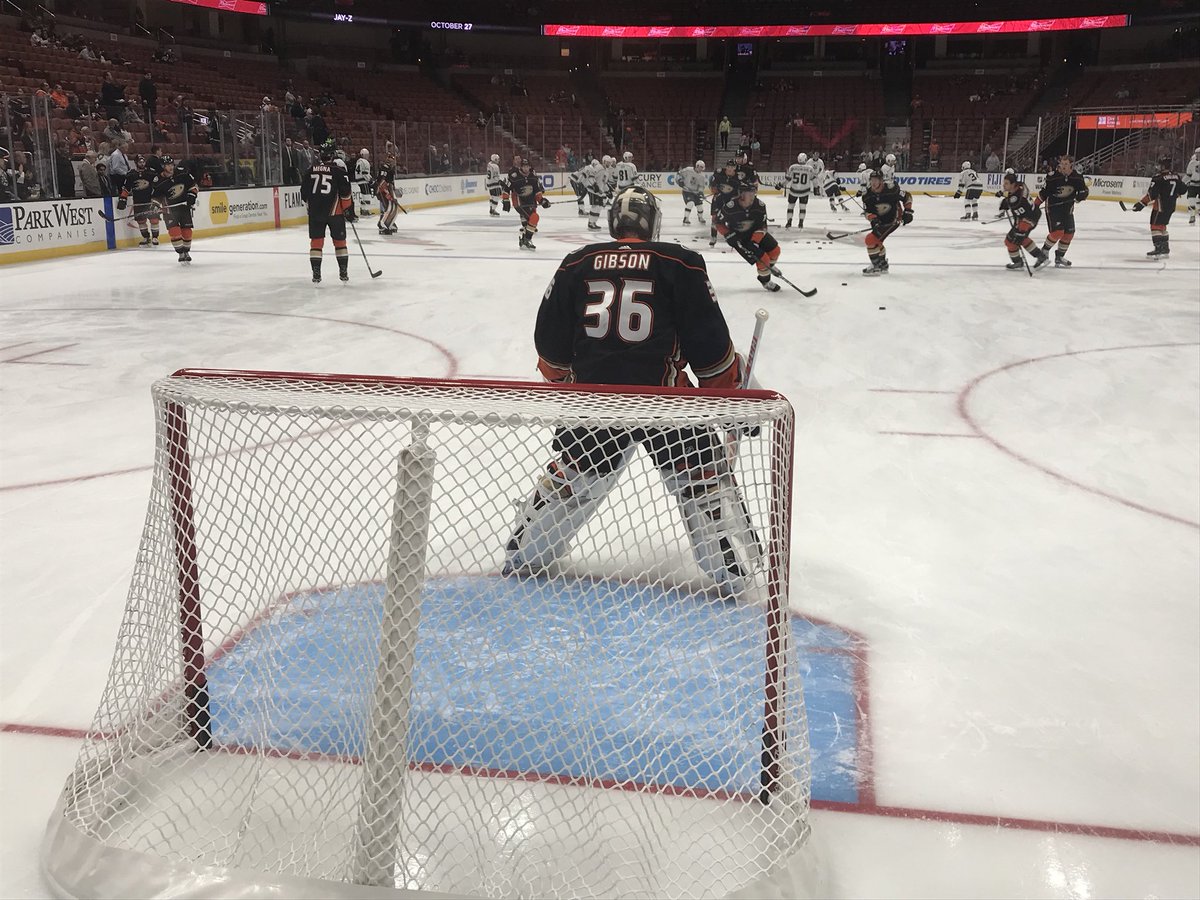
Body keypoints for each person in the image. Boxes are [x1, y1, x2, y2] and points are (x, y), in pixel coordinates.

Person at [504, 185, 757, 595]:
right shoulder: (682, 263)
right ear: (653, 224)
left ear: (612, 222)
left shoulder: (577, 262)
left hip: (595, 401)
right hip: (666, 403)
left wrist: (565, 384)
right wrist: (730, 395)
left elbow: (549, 346)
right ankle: (734, 575)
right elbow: (710, 351)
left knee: (573, 480)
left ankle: (523, 553)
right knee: (702, 480)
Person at [715, 180, 783, 292]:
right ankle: (765, 280)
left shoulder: (760, 206)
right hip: (740, 239)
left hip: (756, 234)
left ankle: (767, 268)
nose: (753, 196)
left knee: (775, 251)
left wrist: (755, 241)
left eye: (753, 193)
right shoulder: (730, 207)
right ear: (741, 194)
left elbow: (762, 226)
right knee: (763, 259)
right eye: (749, 194)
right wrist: (728, 234)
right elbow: (718, 223)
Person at [300, 139, 355, 281]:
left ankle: (316, 274)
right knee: (340, 242)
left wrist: (310, 206)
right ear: (332, 156)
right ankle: (343, 273)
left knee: (316, 242)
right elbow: (345, 192)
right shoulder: (338, 171)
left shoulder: (310, 170)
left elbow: (304, 193)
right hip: (335, 213)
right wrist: (348, 210)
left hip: (316, 213)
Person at [1036, 155, 1088, 267]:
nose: (1063, 166)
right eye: (1061, 164)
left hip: (1068, 209)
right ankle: (1044, 252)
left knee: (1069, 233)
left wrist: (1082, 195)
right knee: (1058, 232)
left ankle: (1059, 256)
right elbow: (1044, 193)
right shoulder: (1052, 177)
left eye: (1065, 164)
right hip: (1053, 208)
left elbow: (1083, 191)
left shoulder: (1077, 177)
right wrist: (1035, 205)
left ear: (1071, 165)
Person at [861, 169, 914, 276]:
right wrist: (873, 219)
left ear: (882, 181)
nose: (874, 182)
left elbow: (907, 196)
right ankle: (883, 265)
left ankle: (876, 267)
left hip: (893, 220)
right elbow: (867, 212)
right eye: (872, 180)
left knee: (870, 239)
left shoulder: (892, 189)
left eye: (877, 180)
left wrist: (908, 211)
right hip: (881, 221)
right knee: (877, 242)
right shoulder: (867, 195)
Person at [1132, 156, 1183, 259]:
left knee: (1155, 226)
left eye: (1160, 165)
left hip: (1160, 206)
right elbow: (1183, 190)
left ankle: (1159, 248)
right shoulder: (1176, 176)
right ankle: (1165, 248)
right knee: (1163, 225)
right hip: (1171, 206)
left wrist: (1141, 204)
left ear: (1163, 166)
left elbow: (1152, 194)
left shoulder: (1158, 178)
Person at [151, 155, 199, 264]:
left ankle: (186, 251)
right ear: (163, 166)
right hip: (169, 210)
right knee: (174, 231)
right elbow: (156, 197)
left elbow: (194, 185)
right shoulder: (158, 181)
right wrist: (155, 205)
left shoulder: (182, 173)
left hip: (183, 207)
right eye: (168, 165)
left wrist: (192, 195)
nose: (171, 167)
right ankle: (180, 253)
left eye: (171, 164)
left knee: (187, 232)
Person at [998, 172, 1049, 270]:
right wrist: (1004, 196)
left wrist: (1006, 202)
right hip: (1025, 217)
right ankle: (1023, 260)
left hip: (1028, 219)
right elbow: (1011, 196)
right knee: (1011, 240)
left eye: (1006, 183)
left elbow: (1014, 202)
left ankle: (1038, 257)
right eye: (1004, 183)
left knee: (1016, 239)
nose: (1004, 185)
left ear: (1013, 184)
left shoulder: (1016, 198)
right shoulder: (1019, 186)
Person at [503, 156, 550, 251]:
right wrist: (506, 200)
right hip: (519, 202)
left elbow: (537, 191)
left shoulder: (533, 177)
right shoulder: (514, 176)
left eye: (527, 166)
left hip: (530, 201)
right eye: (524, 166)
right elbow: (506, 188)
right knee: (534, 217)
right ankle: (527, 240)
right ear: (521, 167)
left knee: (533, 221)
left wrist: (542, 200)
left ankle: (524, 239)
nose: (526, 168)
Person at [117, 155, 160, 247]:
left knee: (154, 219)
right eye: (140, 162)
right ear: (136, 163)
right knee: (141, 221)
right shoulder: (131, 175)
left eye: (143, 162)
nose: (142, 164)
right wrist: (122, 199)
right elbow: (126, 188)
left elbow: (157, 186)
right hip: (138, 201)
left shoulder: (151, 173)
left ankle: (155, 237)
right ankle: (146, 237)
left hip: (150, 201)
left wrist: (157, 199)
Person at [708, 157, 739, 246]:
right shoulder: (719, 173)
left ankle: (732, 238)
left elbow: (739, 191)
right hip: (718, 200)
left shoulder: (737, 178)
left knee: (732, 220)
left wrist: (736, 198)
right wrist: (714, 190)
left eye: (732, 167)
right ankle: (713, 237)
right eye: (728, 166)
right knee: (715, 219)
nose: (730, 168)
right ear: (726, 167)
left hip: (730, 202)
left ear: (735, 168)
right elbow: (712, 185)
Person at [780, 152, 814, 229]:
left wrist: (780, 185)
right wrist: (816, 188)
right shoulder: (810, 168)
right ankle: (801, 223)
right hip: (804, 191)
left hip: (793, 191)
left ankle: (789, 222)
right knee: (802, 207)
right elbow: (814, 180)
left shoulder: (792, 167)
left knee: (790, 206)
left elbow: (787, 180)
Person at [676, 159, 708, 227]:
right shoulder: (688, 170)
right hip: (687, 191)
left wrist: (700, 192)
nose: (702, 169)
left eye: (702, 168)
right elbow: (678, 174)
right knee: (690, 203)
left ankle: (700, 217)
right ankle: (686, 218)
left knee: (700, 207)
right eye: (701, 167)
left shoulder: (702, 177)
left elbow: (701, 186)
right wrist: (680, 181)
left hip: (695, 193)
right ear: (697, 166)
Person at [374, 155, 400, 234]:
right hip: (382, 190)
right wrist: (390, 195)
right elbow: (385, 182)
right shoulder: (388, 169)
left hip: (382, 190)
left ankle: (387, 222)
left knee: (386, 207)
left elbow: (390, 183)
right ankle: (383, 224)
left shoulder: (387, 168)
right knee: (388, 207)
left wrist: (392, 193)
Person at [583, 156, 607, 231]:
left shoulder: (605, 170)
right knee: (595, 206)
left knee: (599, 207)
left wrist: (607, 191)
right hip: (594, 191)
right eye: (608, 162)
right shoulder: (599, 168)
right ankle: (591, 223)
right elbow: (591, 177)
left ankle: (594, 222)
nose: (610, 164)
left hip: (599, 192)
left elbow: (603, 182)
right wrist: (595, 186)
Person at [354, 148, 372, 216]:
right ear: (362, 155)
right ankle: (365, 210)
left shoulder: (359, 161)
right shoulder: (364, 162)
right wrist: (370, 179)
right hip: (363, 180)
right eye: (366, 154)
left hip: (360, 180)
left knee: (364, 195)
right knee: (366, 195)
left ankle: (363, 209)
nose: (368, 156)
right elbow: (365, 173)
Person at [485, 152, 504, 217]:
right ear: (495, 159)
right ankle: (492, 210)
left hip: (489, 183)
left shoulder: (489, 164)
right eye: (497, 159)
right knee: (496, 197)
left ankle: (491, 208)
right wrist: (500, 182)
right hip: (494, 184)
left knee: (492, 196)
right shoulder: (495, 166)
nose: (498, 160)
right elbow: (496, 177)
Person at [1185, 146, 1199, 226]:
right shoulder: (1192, 163)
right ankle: (1192, 216)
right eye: (1197, 154)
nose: (1197, 155)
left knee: (1198, 202)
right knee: (1191, 200)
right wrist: (1182, 183)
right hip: (1193, 184)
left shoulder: (1193, 162)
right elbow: (1188, 175)